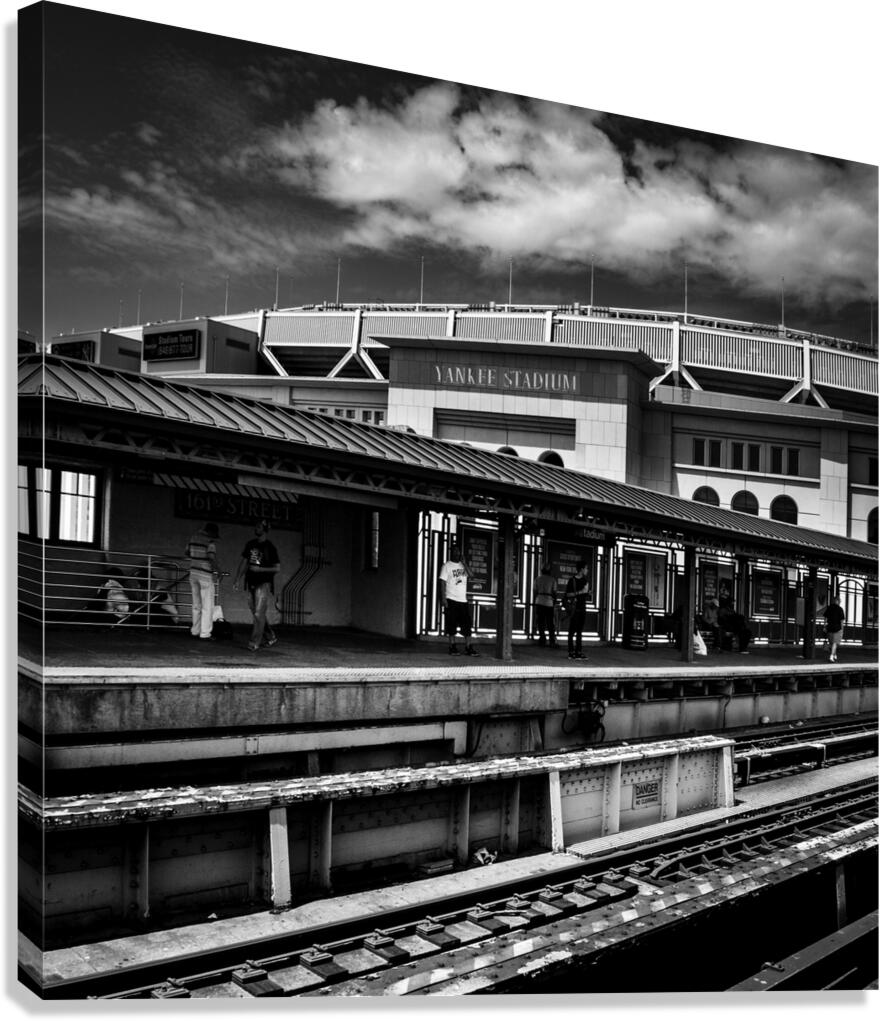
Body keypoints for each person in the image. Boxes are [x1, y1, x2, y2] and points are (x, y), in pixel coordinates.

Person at [233, 518, 280, 651]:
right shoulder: (250, 544)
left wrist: (261, 569)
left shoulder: (270, 547)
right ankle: (270, 636)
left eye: (259, 527)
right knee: (256, 613)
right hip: (251, 583)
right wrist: (237, 578)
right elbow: (244, 562)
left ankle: (254, 643)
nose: (256, 529)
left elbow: (277, 568)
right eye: (256, 526)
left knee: (259, 614)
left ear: (265, 530)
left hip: (263, 584)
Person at [439, 543, 478, 656]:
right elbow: (442, 582)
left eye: (458, 551)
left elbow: (472, 575)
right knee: (451, 624)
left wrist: (465, 563)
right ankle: (452, 646)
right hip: (451, 599)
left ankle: (468, 647)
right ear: (451, 552)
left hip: (463, 600)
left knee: (466, 624)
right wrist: (443, 598)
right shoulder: (447, 566)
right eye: (455, 551)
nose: (457, 553)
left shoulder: (463, 565)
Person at [187, 522, 221, 640]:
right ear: (211, 532)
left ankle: (195, 630)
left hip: (193, 573)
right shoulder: (210, 542)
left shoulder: (193, 538)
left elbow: (187, 552)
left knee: (196, 604)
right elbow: (211, 557)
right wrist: (219, 570)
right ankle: (205, 633)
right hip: (205, 575)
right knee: (207, 605)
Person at [565, 561, 590, 660]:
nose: (587, 570)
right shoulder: (572, 580)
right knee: (572, 631)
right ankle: (571, 652)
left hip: (582, 608)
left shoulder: (585, 581)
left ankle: (578, 651)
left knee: (579, 631)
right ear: (581, 569)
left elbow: (585, 595)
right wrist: (581, 592)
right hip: (574, 609)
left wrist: (588, 593)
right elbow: (568, 594)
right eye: (586, 568)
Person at [533, 564, 558, 648]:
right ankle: (552, 641)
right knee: (550, 623)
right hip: (549, 602)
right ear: (549, 571)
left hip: (539, 601)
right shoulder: (552, 580)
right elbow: (554, 592)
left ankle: (542, 640)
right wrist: (554, 602)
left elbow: (535, 591)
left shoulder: (537, 579)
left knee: (541, 622)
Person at [823, 596, 845, 662]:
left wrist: (824, 626)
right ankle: (831, 656)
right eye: (840, 601)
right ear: (837, 601)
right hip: (837, 629)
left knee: (832, 643)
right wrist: (842, 629)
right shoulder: (840, 609)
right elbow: (841, 621)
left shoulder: (829, 608)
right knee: (835, 643)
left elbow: (825, 618)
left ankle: (834, 655)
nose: (840, 602)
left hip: (829, 627)